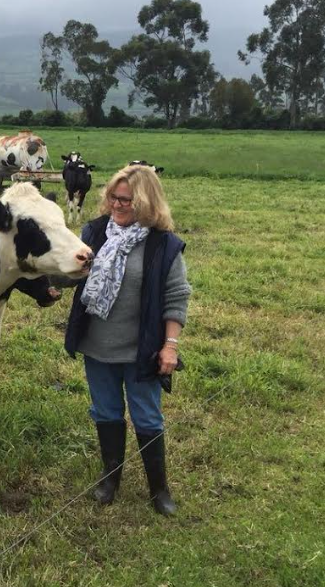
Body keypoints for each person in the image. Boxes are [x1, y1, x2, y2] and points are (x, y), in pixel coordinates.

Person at [63, 163, 192, 516]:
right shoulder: (94, 233)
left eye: (128, 201)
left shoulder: (163, 245)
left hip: (141, 350)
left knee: (147, 416)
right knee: (105, 411)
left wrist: (170, 346)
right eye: (114, 198)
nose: (118, 206)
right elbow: (71, 275)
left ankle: (158, 489)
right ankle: (110, 479)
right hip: (97, 345)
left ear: (148, 203)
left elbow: (176, 297)